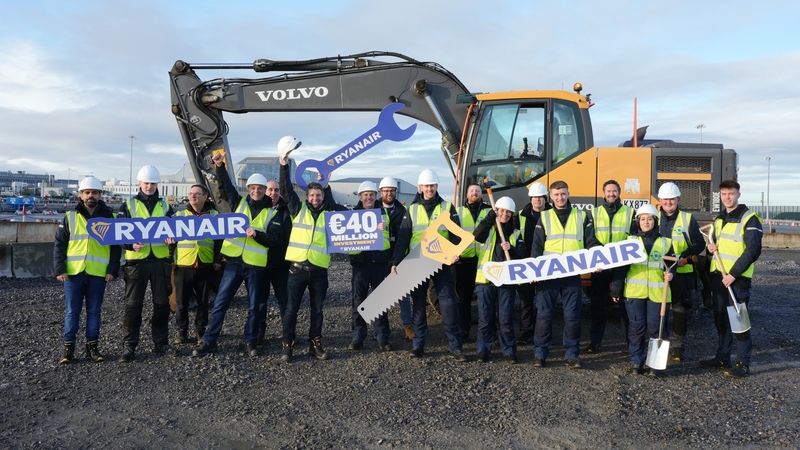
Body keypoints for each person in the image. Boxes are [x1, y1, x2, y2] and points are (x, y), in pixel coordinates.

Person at [194, 153, 277, 358]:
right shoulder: (238, 203)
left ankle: (250, 341)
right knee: (221, 303)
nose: (256, 191)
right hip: (233, 263)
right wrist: (220, 166)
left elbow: (274, 241)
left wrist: (258, 235)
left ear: (265, 191)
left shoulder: (273, 212)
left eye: (260, 188)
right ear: (248, 189)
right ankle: (210, 340)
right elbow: (225, 186)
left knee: (254, 306)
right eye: (253, 188)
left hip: (255, 266)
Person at [390, 169, 467, 362]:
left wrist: (457, 253)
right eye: (426, 186)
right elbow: (403, 239)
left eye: (432, 186)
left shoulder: (447, 208)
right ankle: (418, 345)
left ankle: (455, 347)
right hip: (418, 263)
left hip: (443, 262)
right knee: (418, 305)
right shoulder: (413, 210)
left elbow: (458, 236)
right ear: (420, 188)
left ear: (436, 187)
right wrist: (395, 262)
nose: (429, 189)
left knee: (448, 303)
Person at [279, 151, 347, 363]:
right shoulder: (297, 209)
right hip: (297, 269)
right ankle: (287, 345)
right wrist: (283, 165)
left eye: (318, 195)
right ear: (307, 197)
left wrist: (326, 184)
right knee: (291, 310)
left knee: (317, 311)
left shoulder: (331, 213)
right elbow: (285, 190)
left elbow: (353, 217)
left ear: (323, 196)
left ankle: (315, 344)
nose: (315, 198)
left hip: (319, 270)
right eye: (312, 195)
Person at [530, 180, 601, 369]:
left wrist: (599, 259)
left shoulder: (582, 216)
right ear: (550, 197)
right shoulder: (544, 218)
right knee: (544, 316)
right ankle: (540, 353)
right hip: (548, 274)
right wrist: (533, 270)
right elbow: (536, 248)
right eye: (556, 194)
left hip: (571, 275)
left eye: (563, 194)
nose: (560, 198)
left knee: (572, 317)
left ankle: (571, 354)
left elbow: (591, 242)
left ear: (568, 194)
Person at [54, 176, 120, 364]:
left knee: (94, 312)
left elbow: (115, 248)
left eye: (95, 192)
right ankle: (68, 350)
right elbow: (59, 245)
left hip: (98, 274)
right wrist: (60, 269)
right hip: (73, 274)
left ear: (100, 195)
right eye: (87, 192)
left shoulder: (110, 218)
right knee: (72, 313)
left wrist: (112, 270)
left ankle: (92, 347)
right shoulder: (70, 217)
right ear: (81, 195)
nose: (91, 195)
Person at [700, 180, 762, 378]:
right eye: (724, 194)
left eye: (731, 193)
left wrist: (733, 274)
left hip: (738, 279)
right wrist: (711, 249)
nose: (728, 197)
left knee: (739, 320)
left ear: (738, 194)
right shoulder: (719, 220)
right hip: (719, 277)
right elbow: (717, 247)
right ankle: (722, 357)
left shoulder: (750, 219)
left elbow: (752, 251)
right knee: (721, 319)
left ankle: (743, 363)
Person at [118, 165, 176, 362]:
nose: (150, 186)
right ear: (139, 184)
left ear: (157, 184)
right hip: (136, 262)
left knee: (161, 304)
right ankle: (129, 346)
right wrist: (128, 244)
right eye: (146, 183)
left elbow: (175, 230)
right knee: (133, 305)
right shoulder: (127, 205)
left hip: (160, 261)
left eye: (153, 183)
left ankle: (160, 343)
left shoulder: (166, 206)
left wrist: (172, 239)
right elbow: (118, 233)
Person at [610, 204, 675, 377]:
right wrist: (616, 290)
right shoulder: (629, 243)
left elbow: (672, 266)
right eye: (643, 219)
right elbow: (620, 269)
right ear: (638, 222)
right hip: (634, 293)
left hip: (657, 294)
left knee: (656, 329)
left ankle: (655, 364)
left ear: (655, 221)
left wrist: (671, 274)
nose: (646, 222)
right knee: (636, 328)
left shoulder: (665, 242)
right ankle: (636, 361)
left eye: (650, 219)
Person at [473, 196, 526, 363]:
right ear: (497, 212)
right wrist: (490, 216)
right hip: (486, 281)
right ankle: (483, 350)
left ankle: (509, 351)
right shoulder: (487, 230)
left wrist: (513, 250)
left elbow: (523, 255)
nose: (505, 214)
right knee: (485, 317)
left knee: (505, 318)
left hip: (506, 281)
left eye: (508, 212)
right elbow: (477, 235)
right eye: (502, 211)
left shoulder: (516, 233)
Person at [587, 180, 636, 353]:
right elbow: (589, 238)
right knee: (597, 306)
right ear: (603, 194)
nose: (611, 194)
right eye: (608, 191)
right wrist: (599, 255)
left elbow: (634, 239)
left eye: (614, 191)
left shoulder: (630, 213)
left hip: (622, 266)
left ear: (619, 192)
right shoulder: (593, 213)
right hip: (600, 266)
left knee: (625, 308)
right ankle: (595, 342)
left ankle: (631, 345)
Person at [657, 182, 704, 362]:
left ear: (678, 199)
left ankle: (677, 348)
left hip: (683, 273)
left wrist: (684, 257)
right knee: (659, 311)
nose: (669, 202)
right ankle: (661, 344)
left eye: (672, 199)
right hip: (658, 273)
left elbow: (699, 243)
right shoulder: (653, 218)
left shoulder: (687, 219)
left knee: (680, 311)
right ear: (660, 200)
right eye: (665, 199)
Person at [172, 184, 222, 346]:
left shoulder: (215, 216)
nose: (192, 196)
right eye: (191, 193)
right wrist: (171, 260)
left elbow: (219, 241)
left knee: (203, 302)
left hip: (205, 265)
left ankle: (200, 331)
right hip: (183, 265)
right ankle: (182, 331)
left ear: (206, 196)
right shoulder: (179, 216)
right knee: (181, 302)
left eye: (197, 194)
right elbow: (170, 241)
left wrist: (217, 260)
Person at [348, 181, 393, 352]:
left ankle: (382, 337)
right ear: (360, 197)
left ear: (376, 196)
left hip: (380, 264)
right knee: (358, 301)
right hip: (360, 265)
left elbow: (393, 236)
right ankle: (358, 336)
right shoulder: (351, 215)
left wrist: (384, 227)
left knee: (380, 302)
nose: (369, 197)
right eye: (365, 195)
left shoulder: (384, 214)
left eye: (372, 194)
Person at [256, 179, 292, 346]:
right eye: (270, 190)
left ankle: (288, 336)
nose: (273, 193)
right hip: (260, 264)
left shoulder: (287, 211)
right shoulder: (256, 208)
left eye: (276, 190)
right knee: (260, 302)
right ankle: (259, 335)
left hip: (281, 265)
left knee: (285, 302)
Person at [454, 183, 491, 343]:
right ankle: (464, 329)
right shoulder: (458, 212)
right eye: (471, 191)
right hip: (465, 261)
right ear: (466, 195)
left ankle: (490, 331)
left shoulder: (489, 211)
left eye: (477, 191)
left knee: (488, 298)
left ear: (481, 194)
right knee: (464, 298)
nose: (474, 193)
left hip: (484, 260)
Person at [515, 181, 550, 344]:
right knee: (526, 300)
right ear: (530, 199)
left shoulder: (552, 214)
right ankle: (526, 330)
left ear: (545, 198)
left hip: (547, 265)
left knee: (544, 301)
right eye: (535, 197)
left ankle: (543, 332)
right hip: (526, 264)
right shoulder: (521, 216)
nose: (538, 200)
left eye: (541, 197)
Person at [380, 176, 413, 340]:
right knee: (382, 295)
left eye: (392, 191)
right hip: (379, 259)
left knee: (404, 296)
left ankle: (408, 326)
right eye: (386, 191)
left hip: (399, 257)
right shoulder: (373, 211)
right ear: (381, 192)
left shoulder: (404, 211)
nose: (389, 193)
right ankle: (381, 330)